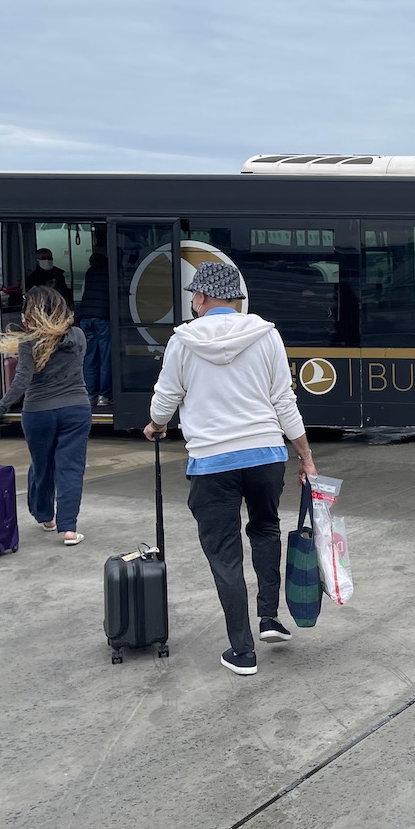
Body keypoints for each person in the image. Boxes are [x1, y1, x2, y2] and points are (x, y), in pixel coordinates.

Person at [143, 262, 317, 677]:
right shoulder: (267, 335)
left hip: (212, 462)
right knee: (266, 529)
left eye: (193, 296)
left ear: (202, 298)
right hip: (266, 455)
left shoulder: (182, 341)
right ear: (235, 299)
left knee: (224, 553)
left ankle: (242, 650)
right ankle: (270, 618)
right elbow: (283, 402)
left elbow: (165, 399)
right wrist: (306, 456)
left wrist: (156, 424)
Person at [0, 286, 91, 545]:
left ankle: (45, 516)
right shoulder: (79, 336)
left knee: (42, 465)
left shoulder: (28, 342)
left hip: (38, 412)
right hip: (76, 409)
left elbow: (21, 382)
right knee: (71, 468)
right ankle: (69, 529)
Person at [74, 252, 112, 408]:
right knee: (105, 357)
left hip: (86, 318)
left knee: (89, 357)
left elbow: (83, 293)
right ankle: (104, 396)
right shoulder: (109, 273)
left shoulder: (89, 273)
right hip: (103, 318)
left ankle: (91, 394)